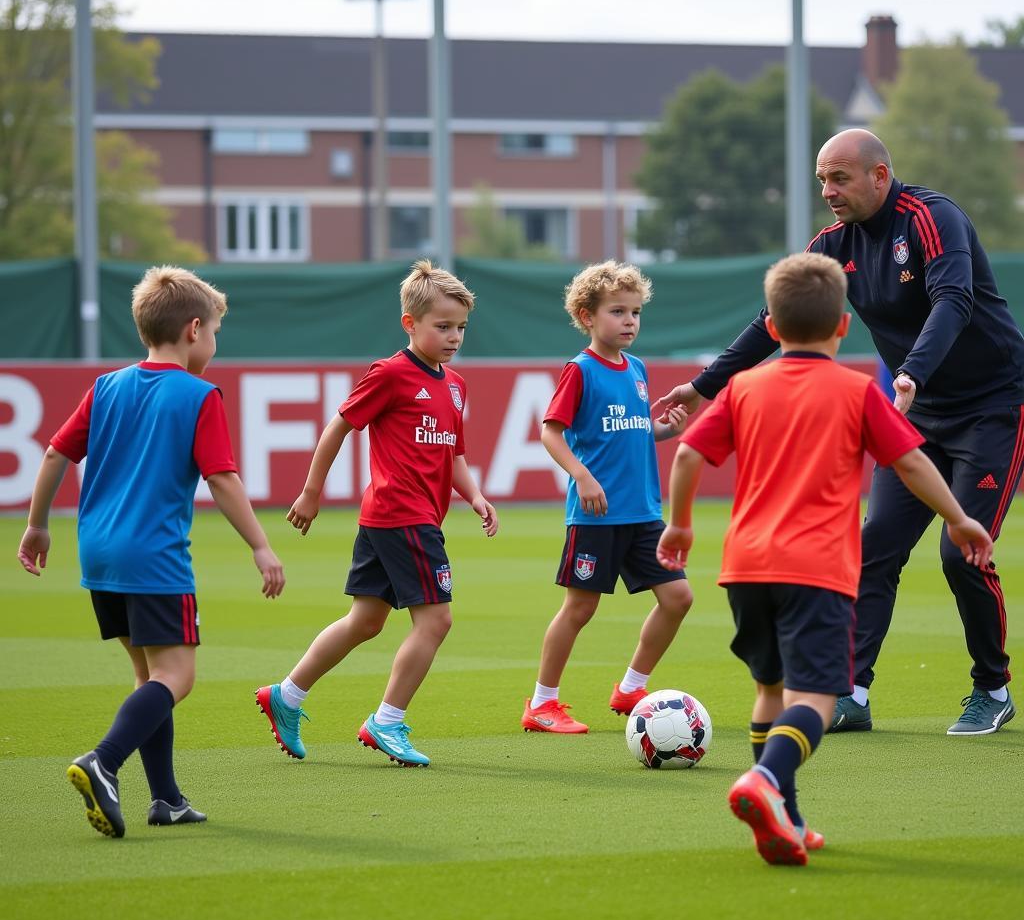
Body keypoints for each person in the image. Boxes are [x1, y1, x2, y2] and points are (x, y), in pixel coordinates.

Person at [654, 128, 1023, 736]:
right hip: (918, 410)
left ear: (881, 175)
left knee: (962, 553)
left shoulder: (933, 218)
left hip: (993, 405)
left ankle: (992, 686)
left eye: (840, 177)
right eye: (822, 178)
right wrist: (703, 387)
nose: (828, 190)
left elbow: (953, 300)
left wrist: (911, 376)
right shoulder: (831, 244)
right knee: (874, 546)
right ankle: (851, 690)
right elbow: (774, 319)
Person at [656, 253, 994, 866]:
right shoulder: (860, 391)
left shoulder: (742, 388)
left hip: (746, 567)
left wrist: (679, 525)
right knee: (813, 700)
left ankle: (786, 816)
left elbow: (685, 458)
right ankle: (763, 782)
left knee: (770, 689)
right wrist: (958, 517)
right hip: (815, 569)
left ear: (775, 329)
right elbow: (912, 462)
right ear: (844, 327)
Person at [17, 266, 285, 839]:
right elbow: (222, 480)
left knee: (149, 677)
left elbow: (54, 456)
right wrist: (261, 546)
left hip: (102, 556)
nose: (214, 342)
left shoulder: (107, 386)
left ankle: (166, 798)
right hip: (155, 557)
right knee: (176, 676)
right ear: (194, 330)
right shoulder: (198, 395)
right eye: (214, 331)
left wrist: (38, 525)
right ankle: (103, 761)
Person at [256, 260, 498, 768]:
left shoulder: (455, 385)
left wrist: (473, 496)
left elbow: (452, 454)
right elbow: (339, 426)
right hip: (401, 514)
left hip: (399, 519)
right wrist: (311, 491)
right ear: (410, 324)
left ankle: (287, 695)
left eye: (460, 327)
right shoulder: (389, 374)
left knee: (365, 620)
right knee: (436, 620)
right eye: (443, 326)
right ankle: (387, 721)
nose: (454, 336)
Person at [521, 261, 692, 735]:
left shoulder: (637, 369)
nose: (630, 321)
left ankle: (631, 687)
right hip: (596, 515)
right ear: (587, 316)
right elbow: (551, 433)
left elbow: (629, 432)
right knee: (580, 609)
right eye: (618, 311)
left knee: (678, 598)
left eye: (636, 312)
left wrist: (662, 430)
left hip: (643, 514)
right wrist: (583, 476)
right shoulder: (580, 371)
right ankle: (542, 704)